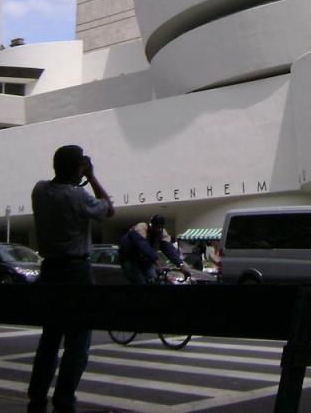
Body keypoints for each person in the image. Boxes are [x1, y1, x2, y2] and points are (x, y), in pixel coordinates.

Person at [27, 144, 114, 413]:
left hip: (49, 271)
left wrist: (80, 174)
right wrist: (92, 177)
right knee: (77, 342)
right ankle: (64, 401)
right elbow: (108, 210)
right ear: (78, 169)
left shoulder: (39, 190)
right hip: (76, 273)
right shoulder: (77, 196)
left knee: (49, 340)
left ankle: (37, 398)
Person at [117, 214, 190, 284]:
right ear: (151, 225)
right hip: (129, 257)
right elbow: (143, 246)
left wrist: (181, 265)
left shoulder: (162, 233)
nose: (157, 229)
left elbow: (169, 250)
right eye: (156, 226)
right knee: (139, 280)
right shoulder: (141, 228)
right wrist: (156, 261)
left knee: (154, 278)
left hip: (145, 259)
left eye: (160, 227)